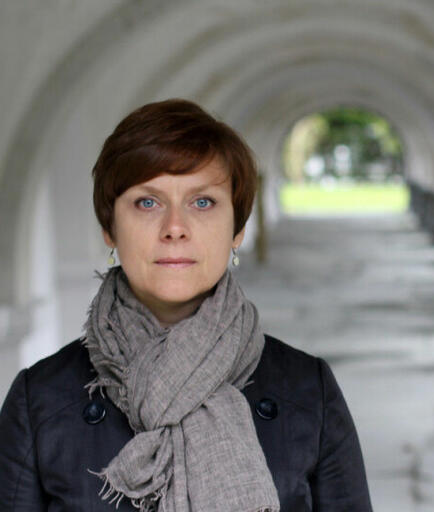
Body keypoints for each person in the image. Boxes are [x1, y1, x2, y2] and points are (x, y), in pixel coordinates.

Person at [0, 99, 373, 511]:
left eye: (202, 202)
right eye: (147, 202)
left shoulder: (308, 391)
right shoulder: (41, 402)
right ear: (109, 227)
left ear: (237, 229)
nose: (175, 228)